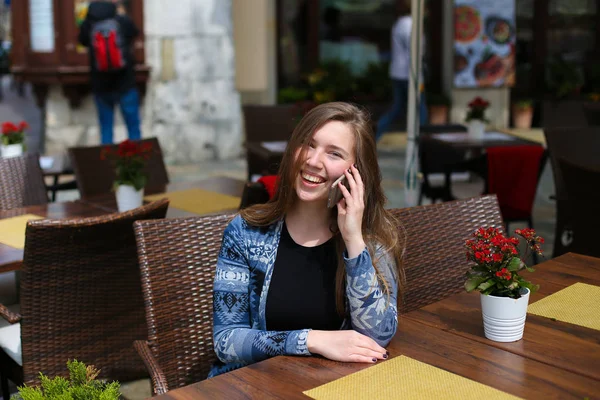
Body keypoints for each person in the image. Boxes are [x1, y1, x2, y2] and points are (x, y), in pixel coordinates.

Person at [210, 102, 405, 377]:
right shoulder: (245, 233)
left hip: (332, 386)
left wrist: (353, 239)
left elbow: (377, 336)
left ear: (357, 171)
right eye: (308, 144)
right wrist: (311, 340)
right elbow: (226, 342)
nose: (313, 161)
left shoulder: (372, 240)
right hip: (253, 385)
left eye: (334, 153)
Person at [78, 0, 141, 144]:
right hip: (126, 82)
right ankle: (137, 162)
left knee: (106, 129)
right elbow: (135, 33)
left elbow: (82, 41)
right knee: (133, 128)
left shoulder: (89, 23)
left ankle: (108, 164)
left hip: (100, 85)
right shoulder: (121, 20)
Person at [375, 0, 427, 142]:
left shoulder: (400, 23)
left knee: (398, 108)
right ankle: (421, 141)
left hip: (398, 72)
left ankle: (376, 133)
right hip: (410, 73)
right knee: (419, 109)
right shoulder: (410, 24)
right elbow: (414, 50)